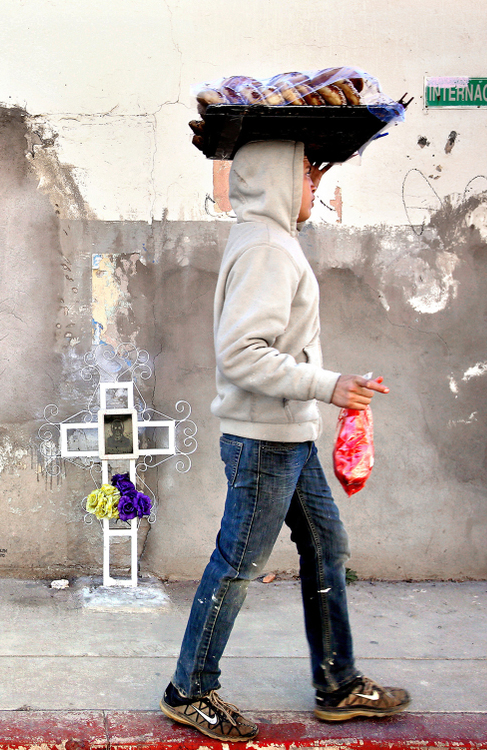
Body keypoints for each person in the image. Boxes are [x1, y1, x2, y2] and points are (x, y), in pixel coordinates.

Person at [158, 140, 409, 741]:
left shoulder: (271, 238)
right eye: (304, 170)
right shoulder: (267, 248)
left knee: (327, 546)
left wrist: (327, 388)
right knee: (239, 563)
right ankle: (189, 689)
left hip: (287, 435)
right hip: (265, 441)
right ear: (274, 176)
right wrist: (329, 384)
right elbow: (243, 354)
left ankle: (338, 685)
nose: (315, 180)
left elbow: (279, 346)